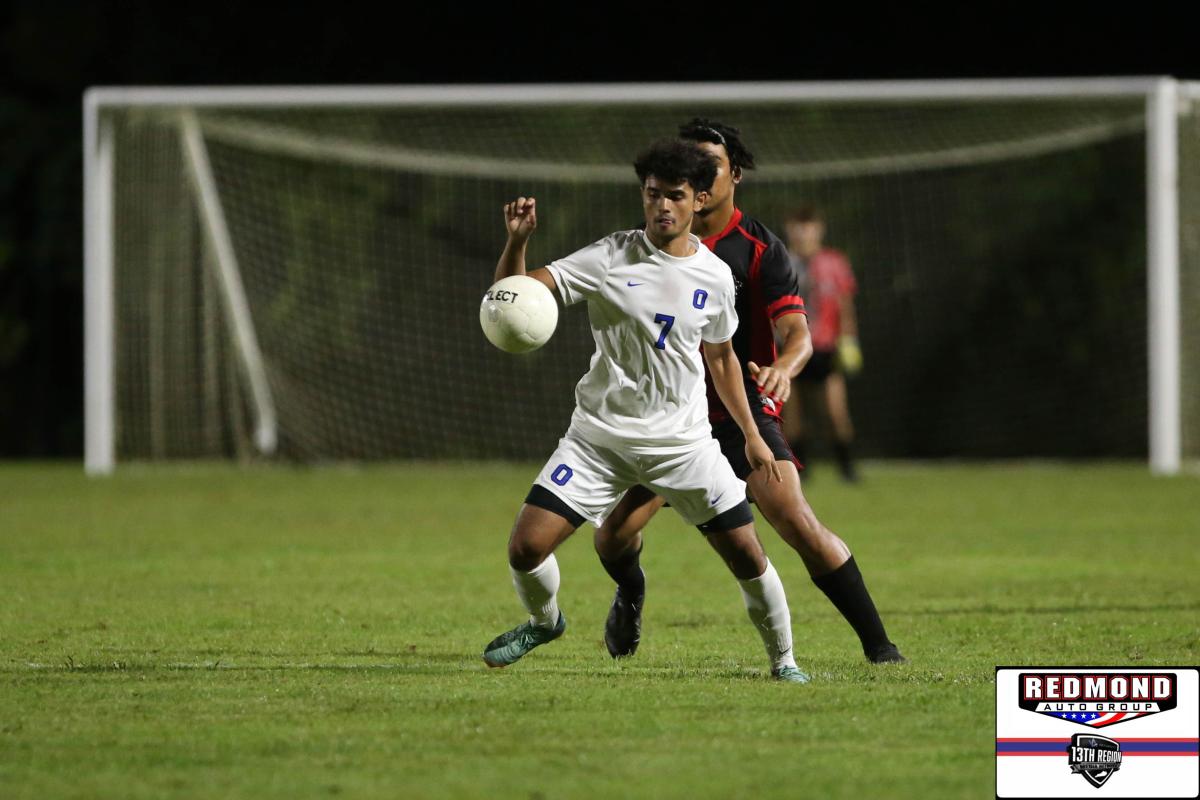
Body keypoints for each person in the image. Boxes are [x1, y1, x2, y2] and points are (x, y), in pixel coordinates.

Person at [482, 139, 809, 682]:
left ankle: (785, 662)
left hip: (683, 446)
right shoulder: (610, 256)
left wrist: (752, 434)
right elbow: (512, 296)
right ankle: (544, 622)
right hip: (599, 441)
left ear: (698, 200)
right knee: (525, 548)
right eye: (652, 194)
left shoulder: (714, 276)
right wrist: (517, 243)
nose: (662, 206)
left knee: (748, 557)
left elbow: (722, 358)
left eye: (674, 196)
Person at [594, 119, 904, 665]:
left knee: (796, 518)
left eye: (710, 166)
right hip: (670, 420)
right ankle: (631, 591)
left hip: (741, 417)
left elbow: (797, 332)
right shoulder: (648, 246)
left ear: (734, 174)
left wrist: (785, 367)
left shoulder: (759, 249)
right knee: (613, 536)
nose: (697, 176)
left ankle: (881, 648)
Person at [782, 206, 862, 483]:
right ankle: (799, 471)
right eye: (798, 226)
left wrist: (849, 341)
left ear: (819, 229)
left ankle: (847, 468)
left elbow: (845, 306)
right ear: (789, 229)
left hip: (825, 347)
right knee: (792, 415)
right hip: (790, 347)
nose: (803, 233)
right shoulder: (781, 263)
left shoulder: (834, 262)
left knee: (835, 411)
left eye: (809, 226)